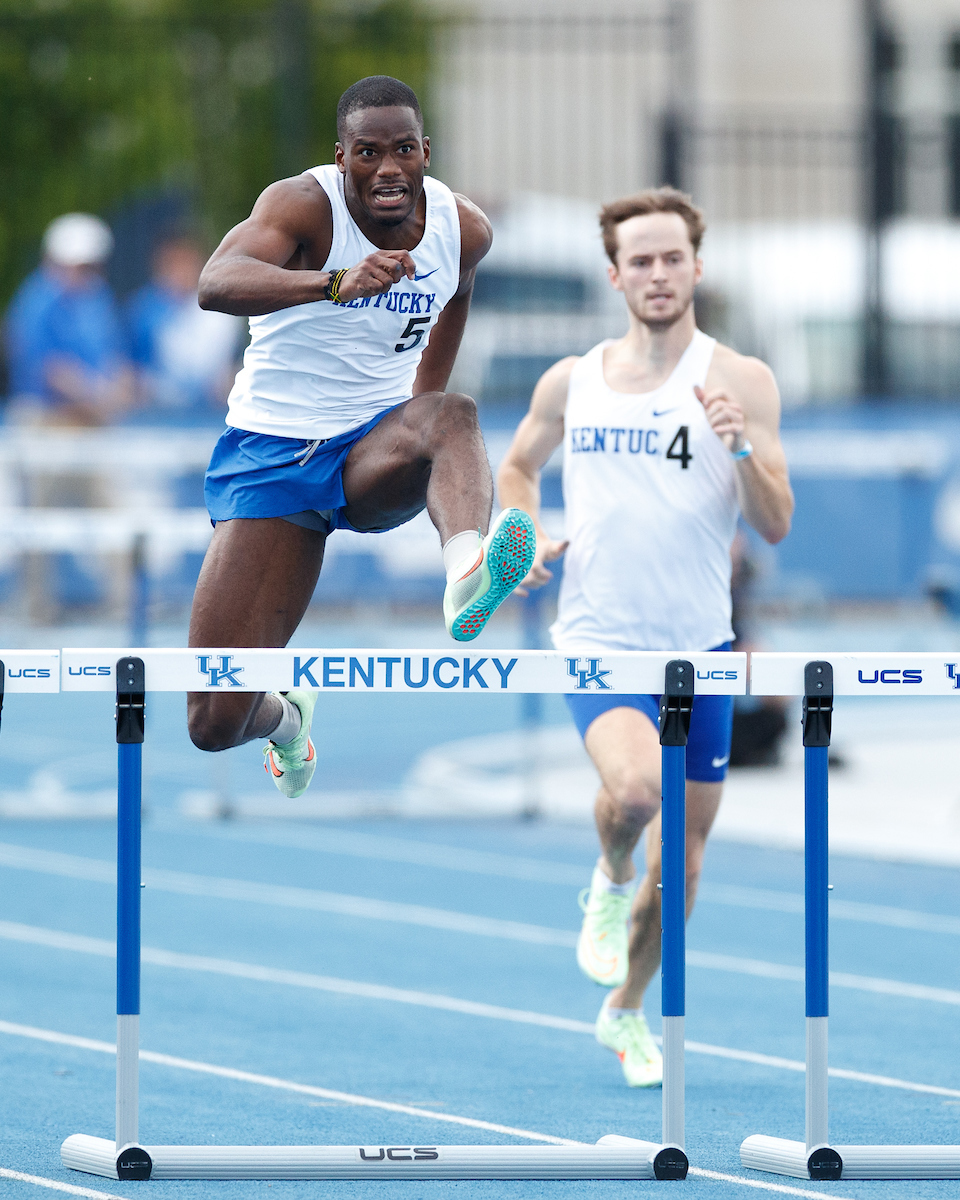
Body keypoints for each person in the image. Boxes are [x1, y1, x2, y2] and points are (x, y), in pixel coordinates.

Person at [497, 187, 793, 1087]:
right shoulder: (571, 380)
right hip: (596, 637)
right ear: (615, 274)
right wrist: (526, 536)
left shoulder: (739, 378)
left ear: (696, 267)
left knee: (689, 866)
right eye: (641, 261)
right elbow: (515, 468)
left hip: (699, 649)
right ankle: (608, 870)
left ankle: (625, 1007)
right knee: (633, 796)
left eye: (672, 259)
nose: (658, 274)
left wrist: (741, 450)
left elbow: (776, 522)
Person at [190, 75, 535, 798]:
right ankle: (287, 720)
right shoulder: (301, 206)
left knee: (451, 414)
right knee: (212, 720)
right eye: (369, 153)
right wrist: (333, 281)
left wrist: (419, 402)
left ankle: (467, 570)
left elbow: (457, 293)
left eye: (403, 150)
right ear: (341, 157)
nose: (388, 169)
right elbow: (216, 282)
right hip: (273, 460)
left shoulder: (462, 228)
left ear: (425, 153)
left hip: (369, 452)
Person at [4, 213, 132, 427]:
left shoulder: (98, 297)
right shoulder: (37, 301)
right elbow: (45, 368)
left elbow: (115, 354)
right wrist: (97, 393)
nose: (82, 273)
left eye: (89, 266)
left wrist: (120, 387)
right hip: (42, 414)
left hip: (94, 416)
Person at [126, 236, 243, 418]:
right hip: (155, 410)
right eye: (174, 266)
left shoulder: (219, 312)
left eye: (187, 265)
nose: (181, 273)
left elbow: (229, 366)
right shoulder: (145, 309)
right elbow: (133, 366)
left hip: (213, 410)